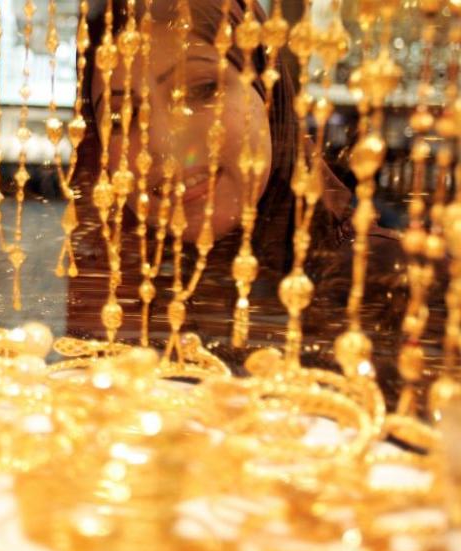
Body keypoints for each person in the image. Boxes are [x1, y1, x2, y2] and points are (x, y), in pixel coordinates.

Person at [66, 0, 413, 396]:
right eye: (119, 118)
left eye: (201, 90)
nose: (163, 144)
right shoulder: (107, 288)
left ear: (268, 94)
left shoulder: (387, 284)